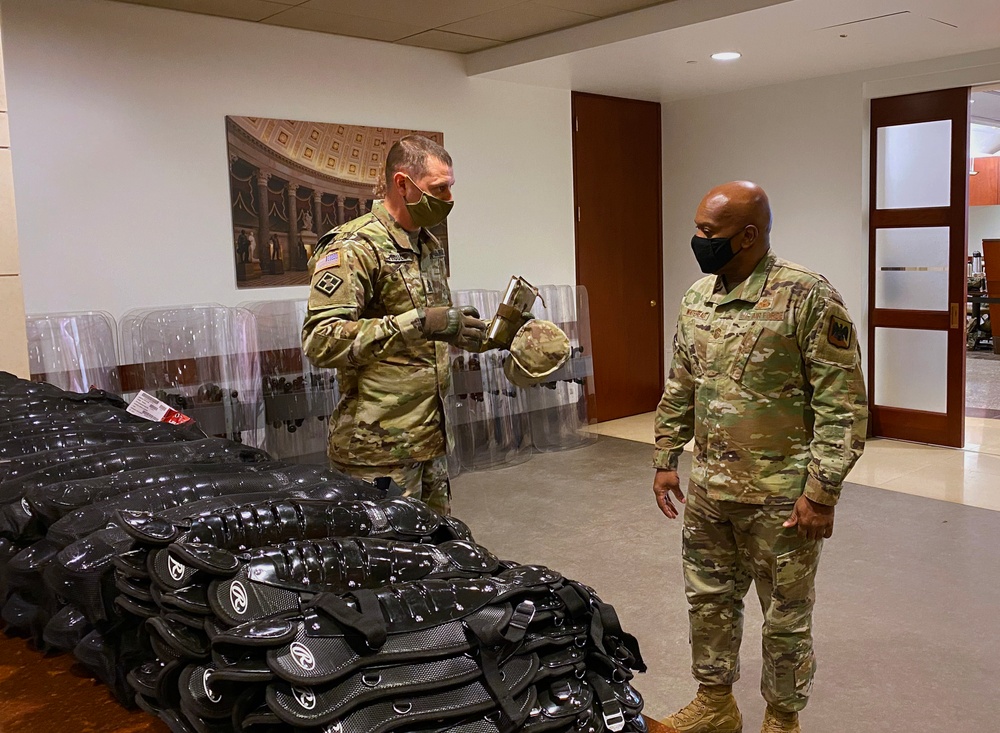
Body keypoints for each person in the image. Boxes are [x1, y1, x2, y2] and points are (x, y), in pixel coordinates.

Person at [653, 181, 868, 733]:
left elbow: (842, 404)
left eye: (708, 232)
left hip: (782, 500)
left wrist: (821, 492)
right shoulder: (698, 298)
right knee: (708, 601)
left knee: (787, 619)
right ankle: (715, 704)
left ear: (748, 235)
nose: (697, 241)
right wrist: (665, 455)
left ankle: (781, 719)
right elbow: (682, 383)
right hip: (709, 493)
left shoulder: (807, 296)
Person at [301, 135, 486, 515]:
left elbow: (433, 331)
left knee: (435, 555)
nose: (448, 199)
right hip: (376, 451)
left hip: (428, 440)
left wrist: (486, 333)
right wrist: (419, 322)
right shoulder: (354, 246)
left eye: (450, 188)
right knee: (384, 563)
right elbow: (320, 341)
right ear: (402, 183)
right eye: (439, 188)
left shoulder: (428, 245)